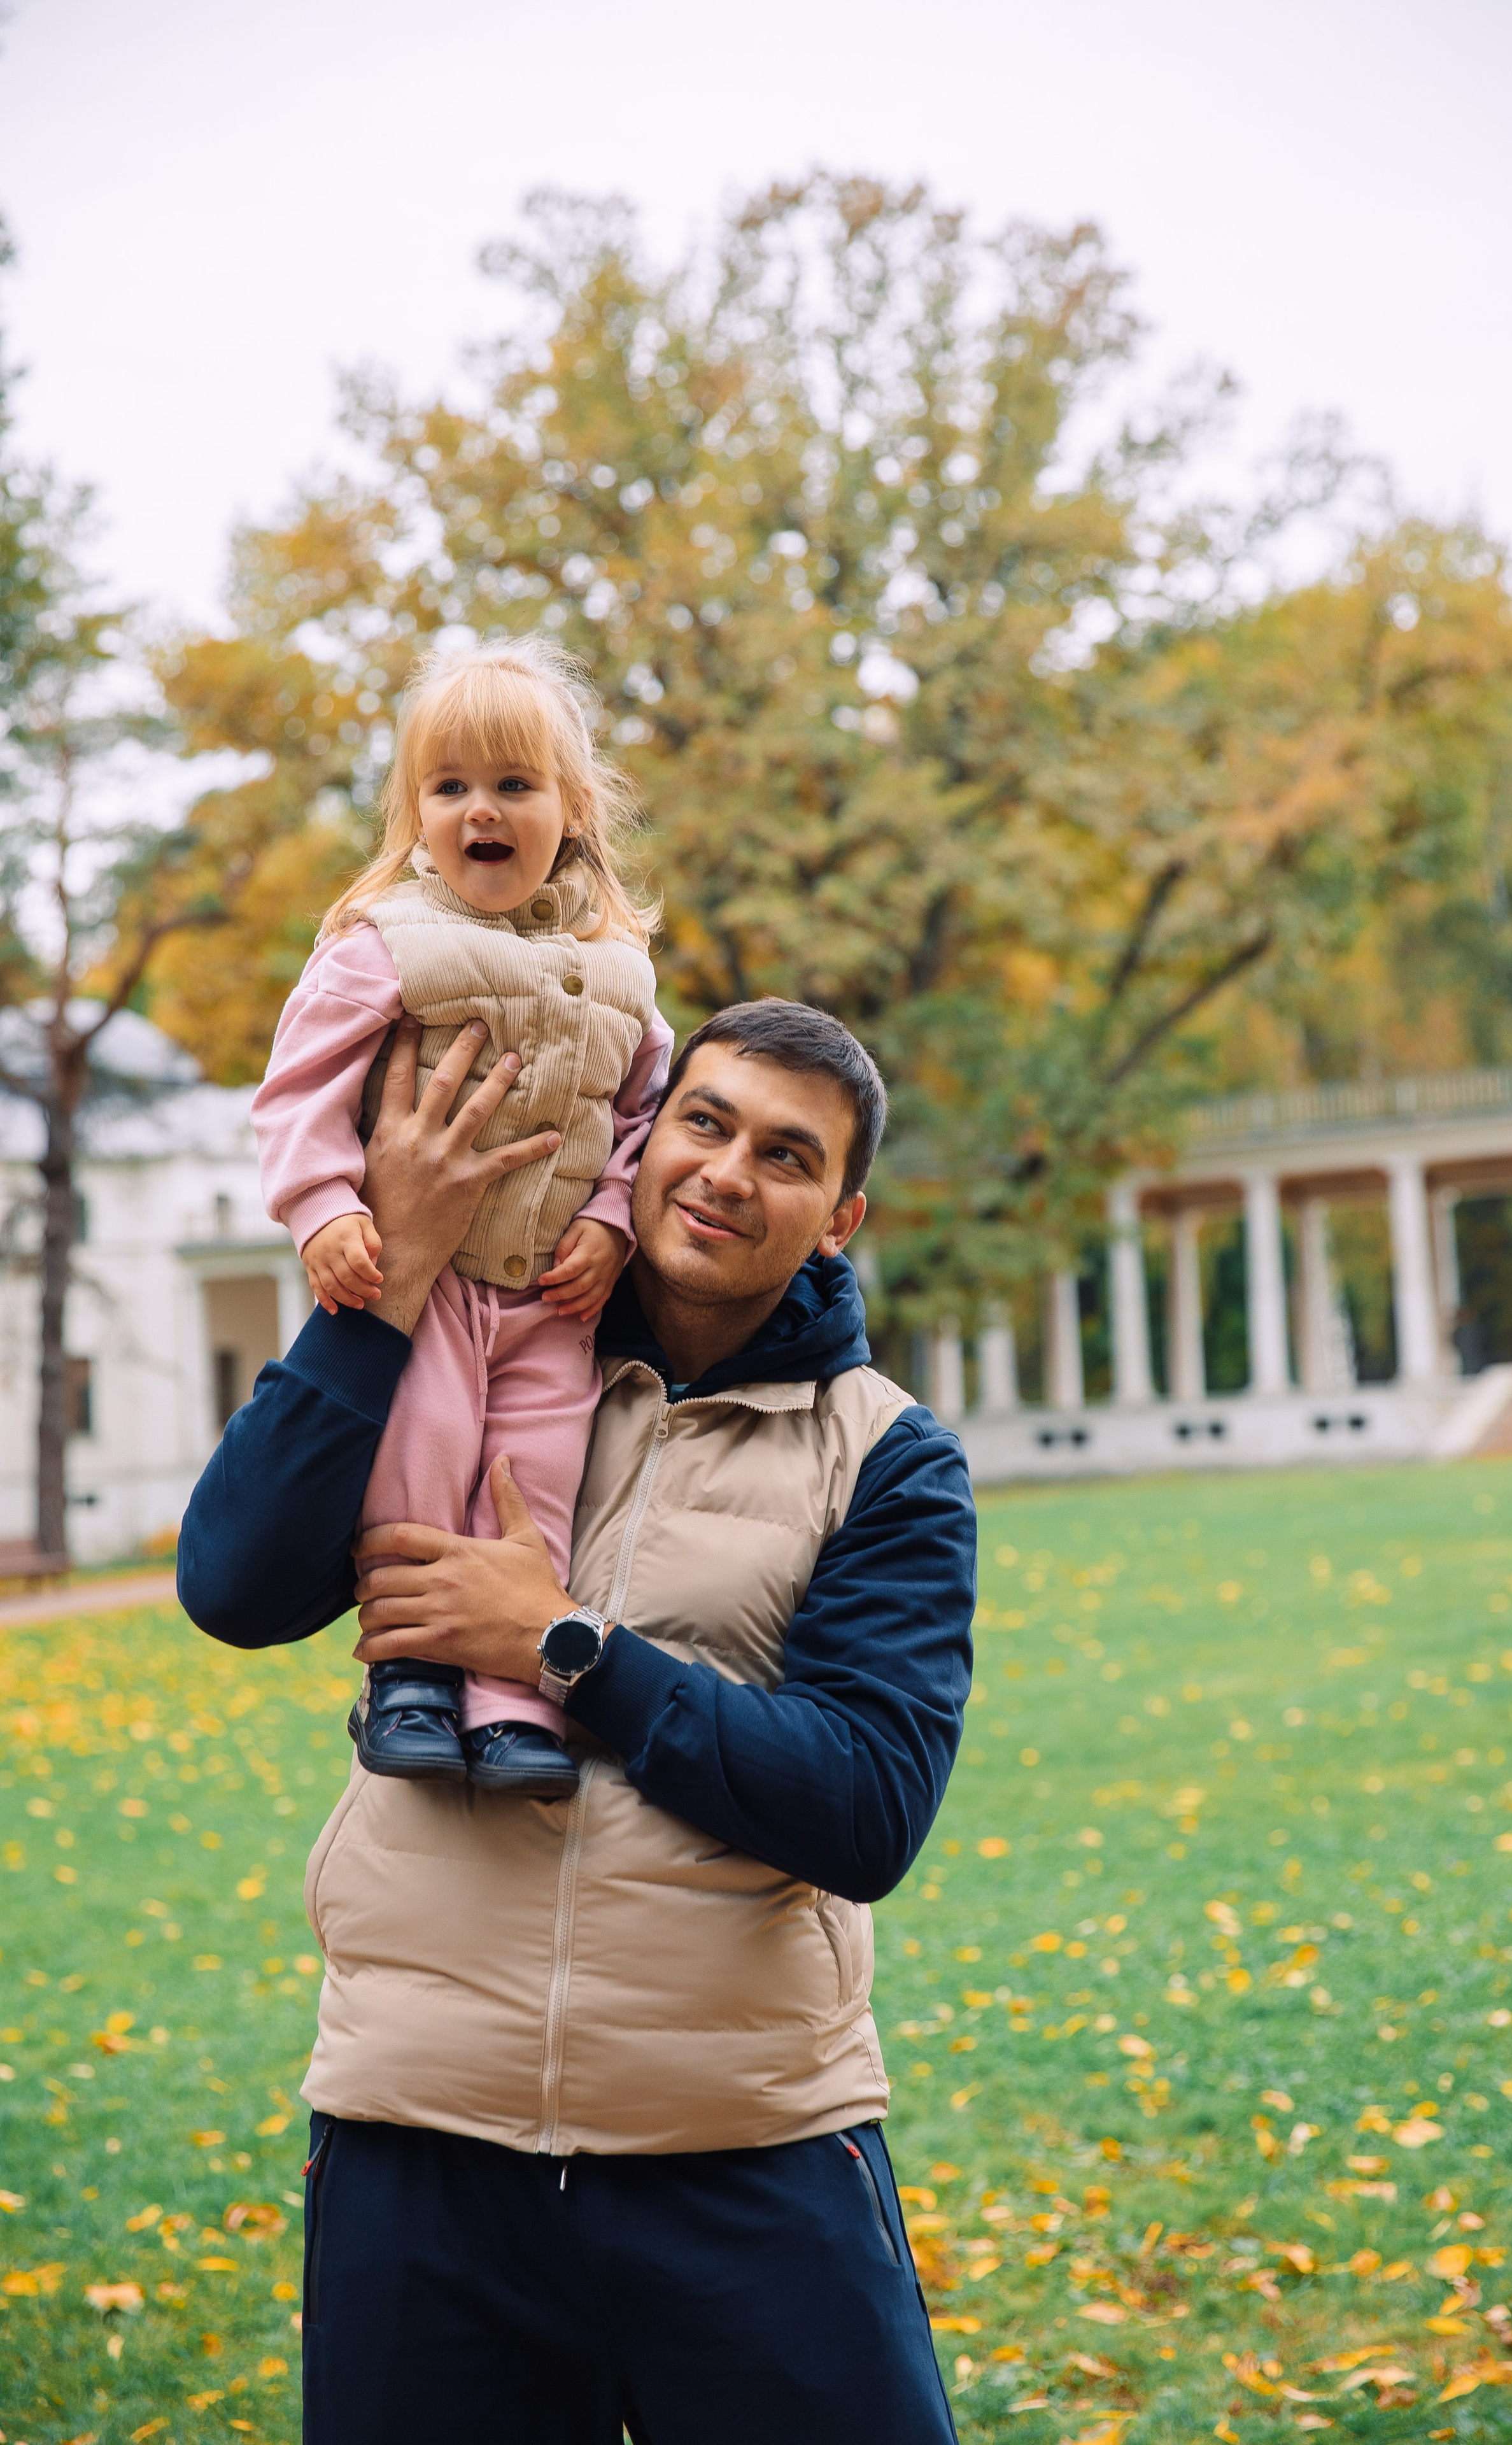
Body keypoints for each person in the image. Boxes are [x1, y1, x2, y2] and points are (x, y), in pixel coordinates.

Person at [180, 995, 977, 2445]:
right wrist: (400, 1269)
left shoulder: (889, 1461)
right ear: (645, 1134)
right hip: (419, 2147)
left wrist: (560, 1650)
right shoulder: (459, 1357)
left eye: (787, 1158)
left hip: (741, 2150)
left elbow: (862, 1808)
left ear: (839, 1215)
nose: (729, 1172)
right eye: (705, 1121)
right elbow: (232, 1584)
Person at [250, 636, 672, 1797]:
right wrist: (324, 1206)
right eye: (451, 788)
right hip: (423, 1277)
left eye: (513, 786)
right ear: (417, 812)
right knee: (422, 1459)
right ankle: (414, 1680)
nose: (480, 811)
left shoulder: (624, 975)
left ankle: (512, 1700)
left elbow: (641, 1121)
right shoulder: (384, 948)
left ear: (572, 809)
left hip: (547, 1295)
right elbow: (298, 1094)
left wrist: (614, 1223)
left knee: (539, 1469)